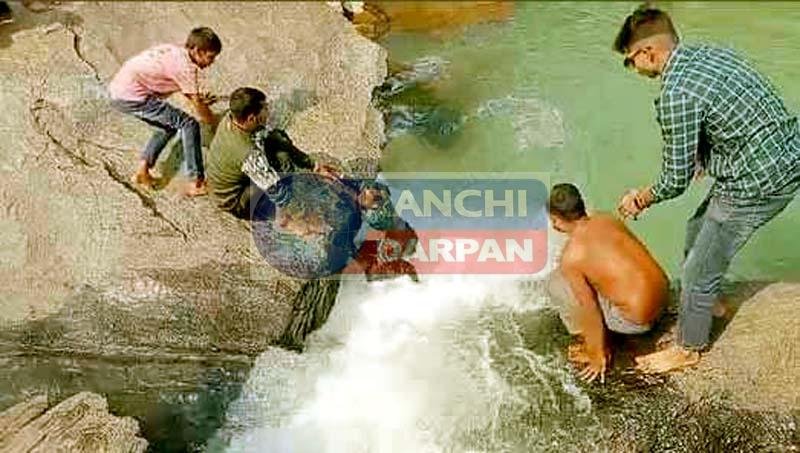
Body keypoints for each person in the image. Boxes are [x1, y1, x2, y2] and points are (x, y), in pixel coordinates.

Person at [613, 5, 799, 373]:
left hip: (757, 179)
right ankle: (708, 302)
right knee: (696, 230)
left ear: (648, 52)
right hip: (787, 148)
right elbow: (735, 105)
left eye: (630, 61)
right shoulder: (711, 53)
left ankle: (689, 347)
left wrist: (641, 198)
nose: (633, 70)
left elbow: (674, 180)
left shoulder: (674, 94)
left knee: (698, 268)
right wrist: (704, 156)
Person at [547, 183, 669, 383]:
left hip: (637, 322)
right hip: (663, 299)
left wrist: (596, 354)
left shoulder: (571, 257)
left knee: (556, 285)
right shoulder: (606, 219)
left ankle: (594, 345)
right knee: (594, 275)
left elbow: (589, 310)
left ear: (555, 220)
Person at [108, 27, 222, 196]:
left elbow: (188, 92)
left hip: (118, 91)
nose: (212, 62)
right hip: (132, 96)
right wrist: (215, 124)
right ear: (197, 51)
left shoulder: (176, 52)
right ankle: (195, 182)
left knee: (167, 127)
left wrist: (196, 98)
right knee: (188, 124)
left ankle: (142, 171)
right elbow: (197, 106)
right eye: (210, 57)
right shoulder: (185, 68)